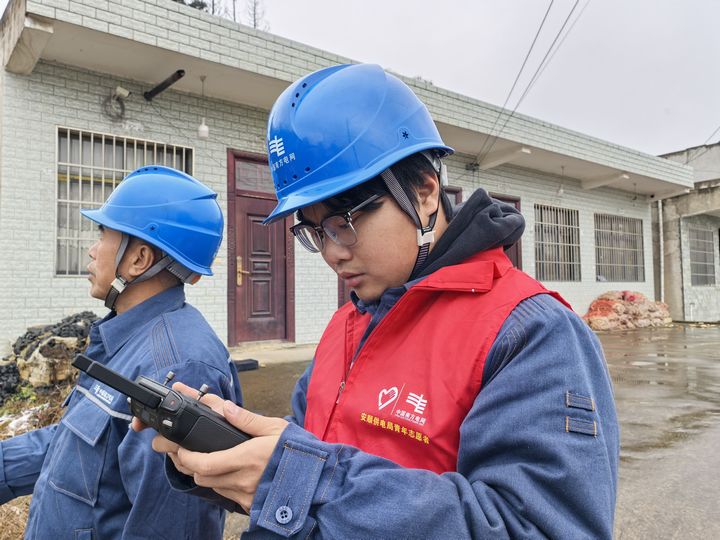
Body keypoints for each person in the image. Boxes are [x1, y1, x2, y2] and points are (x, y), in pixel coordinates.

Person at [151, 64, 620, 539]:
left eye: (346, 220)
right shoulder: (346, 324)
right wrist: (222, 450)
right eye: (314, 231)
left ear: (424, 193)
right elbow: (303, 454)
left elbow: (541, 527)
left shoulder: (530, 333)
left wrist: (306, 478)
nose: (333, 251)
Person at [0, 166, 243, 539]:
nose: (92, 250)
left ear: (138, 259)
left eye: (103, 234)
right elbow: (74, 446)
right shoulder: (125, 340)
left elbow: (170, 527)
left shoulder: (177, 369)